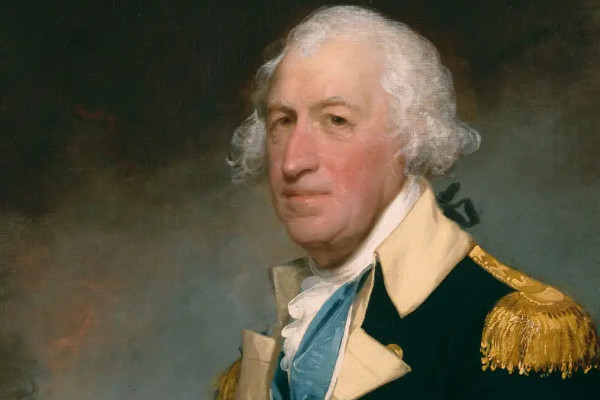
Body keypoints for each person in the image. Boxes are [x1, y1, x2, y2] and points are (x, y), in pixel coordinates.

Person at [218, 5, 600, 399]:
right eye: (282, 121)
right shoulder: (276, 347)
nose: (293, 161)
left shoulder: (512, 332)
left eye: (336, 120)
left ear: (410, 137)